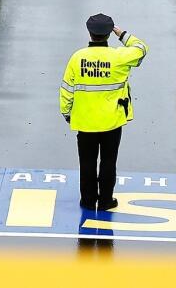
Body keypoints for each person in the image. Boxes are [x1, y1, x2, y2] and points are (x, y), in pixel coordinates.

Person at [59, 13, 148, 211]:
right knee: (109, 161)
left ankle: (88, 200)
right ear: (108, 34)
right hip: (112, 120)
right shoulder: (118, 57)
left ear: (89, 33)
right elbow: (141, 48)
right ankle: (106, 200)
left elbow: (67, 89)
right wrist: (122, 34)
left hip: (84, 120)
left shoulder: (78, 57)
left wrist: (67, 112)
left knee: (87, 162)